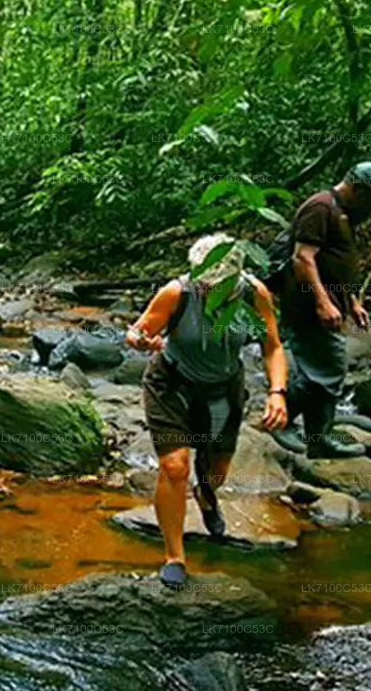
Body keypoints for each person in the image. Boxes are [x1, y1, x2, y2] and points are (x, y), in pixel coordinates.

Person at [127, 234, 288, 589]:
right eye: (205, 286)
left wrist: (277, 392)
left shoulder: (254, 294)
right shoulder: (177, 293)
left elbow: (272, 347)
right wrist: (143, 340)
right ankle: (175, 557)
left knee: (217, 471)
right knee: (174, 467)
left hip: (223, 390)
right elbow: (137, 333)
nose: (210, 294)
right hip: (172, 385)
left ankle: (206, 494)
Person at [274, 163, 371, 458]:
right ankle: (284, 419)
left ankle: (313, 435)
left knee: (323, 371)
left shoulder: (343, 213)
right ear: (358, 189)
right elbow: (303, 258)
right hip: (308, 306)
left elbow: (336, 263)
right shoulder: (320, 207)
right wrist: (322, 302)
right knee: (329, 369)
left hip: (332, 303)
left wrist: (351, 301)